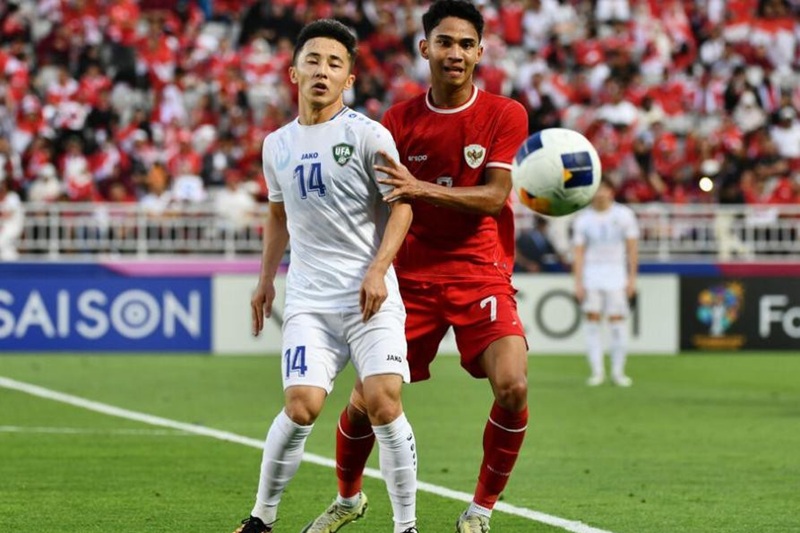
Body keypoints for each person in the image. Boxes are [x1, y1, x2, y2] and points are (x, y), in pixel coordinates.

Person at [304, 2, 529, 532]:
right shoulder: (398, 122)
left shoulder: (505, 113)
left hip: (479, 270)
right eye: (445, 42)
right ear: (425, 48)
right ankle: (348, 498)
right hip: (410, 277)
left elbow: (495, 197)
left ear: (480, 52)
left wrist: (420, 188)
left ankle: (479, 511)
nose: (456, 53)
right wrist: (372, 267)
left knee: (514, 386)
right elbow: (384, 202)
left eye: (467, 44)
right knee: (366, 400)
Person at [236, 19, 419, 533]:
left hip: (369, 298)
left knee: (383, 401)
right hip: (310, 300)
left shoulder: (366, 135)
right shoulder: (277, 144)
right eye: (313, 60)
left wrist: (379, 269)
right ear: (293, 72)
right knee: (301, 407)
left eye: (335, 64)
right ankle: (262, 518)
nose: (323, 70)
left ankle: (406, 526)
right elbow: (278, 214)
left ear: (349, 78)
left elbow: (403, 204)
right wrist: (266, 279)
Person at [571, 178, 640, 387]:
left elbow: (632, 249)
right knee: (592, 322)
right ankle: (597, 372)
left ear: (611, 191)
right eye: (597, 190)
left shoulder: (624, 215)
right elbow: (578, 253)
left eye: (604, 189)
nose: (600, 194)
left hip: (616, 274)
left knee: (617, 323)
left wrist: (632, 278)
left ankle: (618, 372)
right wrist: (578, 282)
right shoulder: (583, 219)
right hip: (591, 275)